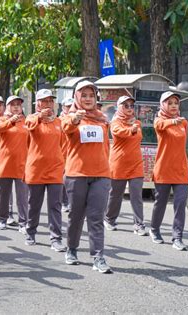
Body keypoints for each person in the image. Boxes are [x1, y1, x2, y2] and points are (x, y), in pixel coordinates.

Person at [61, 81, 111, 273]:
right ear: (77, 97)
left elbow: (106, 146)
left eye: (91, 95)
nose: (88, 99)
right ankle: (71, 249)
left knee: (96, 216)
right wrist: (74, 119)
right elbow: (66, 128)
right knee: (76, 215)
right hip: (77, 174)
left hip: (101, 174)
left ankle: (98, 256)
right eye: (84, 95)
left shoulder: (102, 118)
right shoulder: (70, 117)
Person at [24, 89, 66, 252]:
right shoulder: (32, 119)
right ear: (37, 104)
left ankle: (56, 238)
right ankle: (30, 232)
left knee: (55, 205)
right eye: (44, 101)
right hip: (36, 169)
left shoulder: (59, 122)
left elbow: (63, 144)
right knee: (34, 204)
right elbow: (29, 125)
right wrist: (40, 116)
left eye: (50, 101)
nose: (48, 104)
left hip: (55, 169)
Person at [149, 91, 188, 251]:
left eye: (176, 103)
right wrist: (172, 121)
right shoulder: (159, 120)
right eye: (170, 103)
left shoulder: (184, 122)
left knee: (180, 204)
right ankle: (154, 229)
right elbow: (160, 126)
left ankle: (177, 237)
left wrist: (177, 121)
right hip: (164, 169)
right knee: (161, 203)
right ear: (163, 105)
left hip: (181, 169)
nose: (173, 106)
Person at [104, 95, 147, 235]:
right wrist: (131, 129)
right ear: (119, 107)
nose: (129, 108)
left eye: (131, 105)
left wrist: (134, 127)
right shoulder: (115, 122)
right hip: (119, 163)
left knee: (137, 195)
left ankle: (139, 224)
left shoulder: (137, 122)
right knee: (116, 195)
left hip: (136, 163)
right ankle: (109, 219)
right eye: (125, 105)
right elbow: (119, 133)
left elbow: (137, 136)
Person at [0, 95, 29, 232]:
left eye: (18, 105)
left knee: (22, 196)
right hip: (5, 164)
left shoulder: (26, 121)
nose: (16, 107)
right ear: (7, 107)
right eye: (12, 104)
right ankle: (3, 219)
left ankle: (23, 222)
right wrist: (11, 121)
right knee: (4, 194)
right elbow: (0, 129)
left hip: (21, 164)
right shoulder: (1, 120)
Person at [59, 97, 73, 213]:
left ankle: (71, 201)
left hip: (73, 153)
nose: (70, 108)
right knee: (64, 179)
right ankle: (64, 202)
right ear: (63, 107)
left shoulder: (77, 119)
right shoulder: (59, 120)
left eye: (71, 106)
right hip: (61, 153)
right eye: (68, 106)